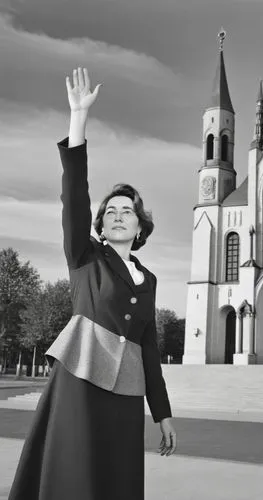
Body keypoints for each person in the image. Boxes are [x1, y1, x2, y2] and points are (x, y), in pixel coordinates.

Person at [8, 67, 176, 500]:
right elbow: (75, 195)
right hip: (80, 381)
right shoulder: (84, 256)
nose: (119, 214)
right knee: (74, 475)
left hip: (125, 392)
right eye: (111, 211)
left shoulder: (149, 279)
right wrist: (78, 120)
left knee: (114, 480)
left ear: (140, 227)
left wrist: (163, 414)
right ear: (101, 225)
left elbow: (150, 349)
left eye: (128, 211)